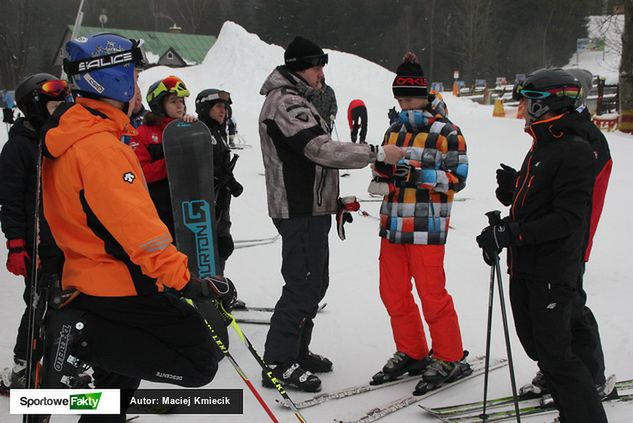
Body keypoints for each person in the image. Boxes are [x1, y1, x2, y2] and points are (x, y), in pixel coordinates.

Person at [41, 33, 236, 421]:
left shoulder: (77, 135)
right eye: (132, 74)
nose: (137, 85)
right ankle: (84, 341)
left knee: (118, 382)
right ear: (113, 79)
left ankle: (97, 399)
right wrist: (188, 281)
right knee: (200, 359)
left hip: (90, 278)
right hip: (118, 284)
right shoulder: (99, 148)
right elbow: (139, 231)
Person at [258, 35, 404, 392]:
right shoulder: (285, 103)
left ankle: (296, 350)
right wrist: (377, 153)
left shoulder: (299, 99)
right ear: (297, 69)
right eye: (315, 65)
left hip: (312, 206)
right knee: (302, 285)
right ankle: (278, 362)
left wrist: (333, 200)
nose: (321, 72)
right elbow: (318, 150)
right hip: (299, 209)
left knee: (314, 283)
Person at [476, 68, 608, 423]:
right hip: (527, 265)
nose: (523, 111)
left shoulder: (575, 150)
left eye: (529, 103)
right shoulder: (544, 146)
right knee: (540, 348)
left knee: (557, 357)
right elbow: (543, 201)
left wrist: (512, 233)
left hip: (551, 269)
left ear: (550, 104)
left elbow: (567, 218)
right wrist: (514, 194)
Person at [369, 52, 470, 390]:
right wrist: (381, 170)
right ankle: (412, 350)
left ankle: (449, 355)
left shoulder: (447, 132)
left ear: (425, 96)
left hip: (427, 227)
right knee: (392, 293)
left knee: (432, 294)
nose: (404, 105)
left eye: (410, 98)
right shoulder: (393, 129)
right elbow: (385, 166)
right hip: (393, 225)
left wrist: (415, 173)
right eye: (399, 99)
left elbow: (458, 177)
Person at [0, 73, 67, 391]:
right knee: (39, 303)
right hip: (36, 241)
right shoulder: (19, 147)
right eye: (56, 103)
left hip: (65, 239)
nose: (62, 108)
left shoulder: (59, 140)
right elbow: (10, 200)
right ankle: (23, 367)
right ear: (36, 106)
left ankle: (60, 364)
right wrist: (16, 245)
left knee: (64, 304)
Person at [130, 75, 195, 236]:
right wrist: (171, 164)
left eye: (181, 101)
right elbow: (141, 172)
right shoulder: (142, 133)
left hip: (188, 204)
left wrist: (194, 130)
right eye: (173, 101)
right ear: (159, 105)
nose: (180, 106)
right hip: (159, 209)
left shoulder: (186, 127)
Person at [195, 89, 243, 274]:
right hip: (206, 203)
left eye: (225, 107)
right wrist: (224, 178)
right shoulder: (199, 131)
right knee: (207, 249)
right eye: (218, 107)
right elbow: (198, 165)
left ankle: (219, 289)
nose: (223, 111)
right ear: (205, 108)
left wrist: (230, 181)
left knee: (223, 246)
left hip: (221, 203)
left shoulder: (218, 132)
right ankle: (207, 291)